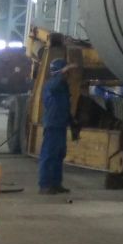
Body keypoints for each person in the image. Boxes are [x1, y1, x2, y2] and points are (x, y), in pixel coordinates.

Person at [38, 56, 73, 195]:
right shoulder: (51, 84)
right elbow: (54, 85)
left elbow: (65, 106)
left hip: (61, 124)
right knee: (49, 155)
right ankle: (45, 185)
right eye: (66, 72)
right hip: (52, 125)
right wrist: (62, 72)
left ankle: (56, 184)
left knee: (59, 155)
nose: (68, 75)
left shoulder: (63, 87)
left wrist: (72, 121)